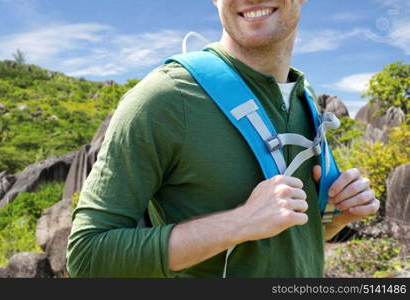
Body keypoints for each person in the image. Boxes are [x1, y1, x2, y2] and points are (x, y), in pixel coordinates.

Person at [66, 0, 379, 277]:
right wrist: (239, 222)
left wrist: (338, 218)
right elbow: (86, 256)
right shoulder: (166, 98)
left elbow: (282, 242)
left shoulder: (304, 99)